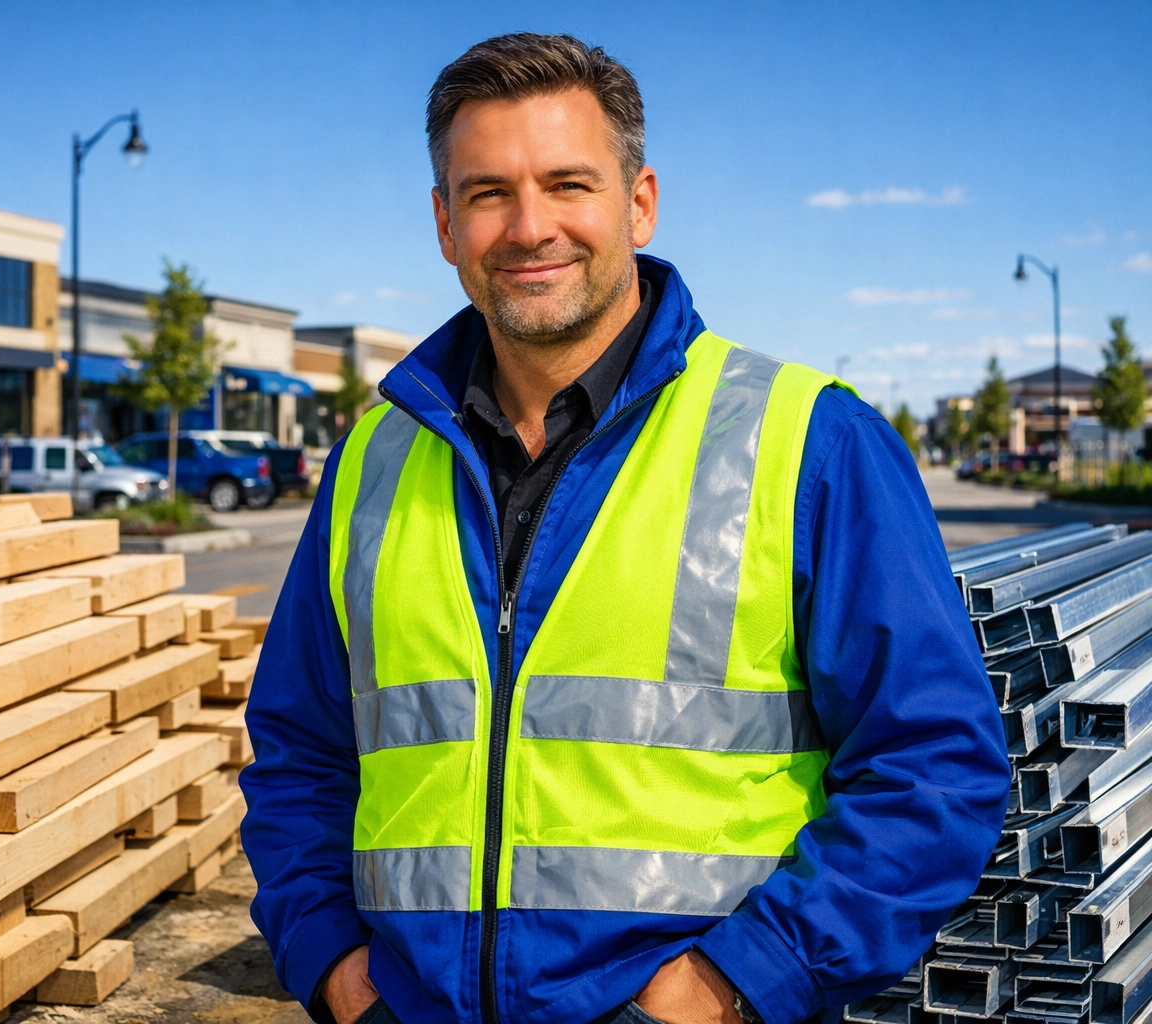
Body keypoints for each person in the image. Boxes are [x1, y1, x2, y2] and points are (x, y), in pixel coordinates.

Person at [240, 32, 1010, 1024]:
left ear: (638, 202)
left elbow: (935, 767)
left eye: (569, 184)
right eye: (488, 193)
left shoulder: (810, 441)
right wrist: (338, 970)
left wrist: (726, 988)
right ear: (443, 222)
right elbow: (301, 751)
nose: (530, 227)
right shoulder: (372, 458)